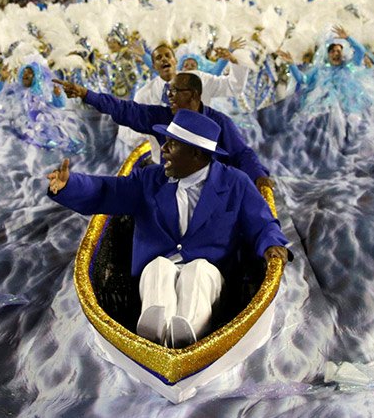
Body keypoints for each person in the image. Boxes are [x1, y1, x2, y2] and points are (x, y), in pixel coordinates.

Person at [45, 109, 288, 347]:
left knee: (199, 271)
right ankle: (153, 334)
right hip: (157, 266)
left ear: (196, 153)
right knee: (158, 268)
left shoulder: (235, 183)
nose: (163, 149)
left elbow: (262, 222)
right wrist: (69, 185)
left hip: (212, 272)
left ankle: (188, 336)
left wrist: (273, 245)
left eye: (172, 143)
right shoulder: (148, 179)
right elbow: (106, 191)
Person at [57, 71, 273, 190]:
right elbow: (125, 109)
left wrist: (258, 176)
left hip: (212, 192)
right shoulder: (162, 116)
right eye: (168, 91)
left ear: (193, 95)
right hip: (169, 188)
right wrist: (87, 94)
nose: (169, 96)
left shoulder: (220, 123)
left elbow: (241, 153)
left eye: (175, 91)